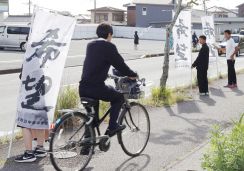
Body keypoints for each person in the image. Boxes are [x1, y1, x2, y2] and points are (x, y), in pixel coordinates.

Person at [79, 23, 137, 139]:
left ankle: (87, 146)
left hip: (83, 88)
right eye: (111, 36)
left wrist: (104, 74)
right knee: (118, 97)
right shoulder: (108, 46)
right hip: (96, 88)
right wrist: (132, 75)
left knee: (92, 118)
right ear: (109, 34)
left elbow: (95, 63)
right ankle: (112, 127)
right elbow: (120, 65)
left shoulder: (90, 45)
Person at [15, 67, 47, 163]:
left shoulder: (30, 56)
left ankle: (29, 153)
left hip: (29, 93)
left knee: (24, 123)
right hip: (40, 92)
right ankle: (40, 148)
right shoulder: (44, 55)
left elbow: (23, 76)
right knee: (39, 120)